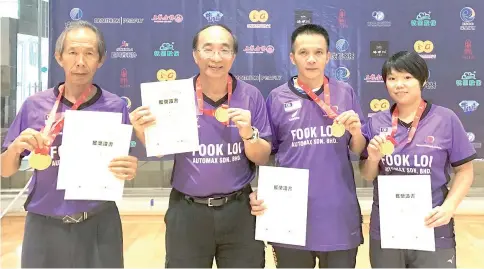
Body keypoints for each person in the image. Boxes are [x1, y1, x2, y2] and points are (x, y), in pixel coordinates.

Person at [129, 24, 272, 268]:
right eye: (208, 49)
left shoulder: (251, 95)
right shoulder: (175, 95)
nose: (216, 58)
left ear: (233, 56)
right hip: (187, 211)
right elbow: (160, 148)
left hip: (239, 211)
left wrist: (248, 134)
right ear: (195, 55)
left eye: (224, 50)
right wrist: (143, 132)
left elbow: (262, 157)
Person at [1, 20, 138, 268]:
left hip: (99, 226)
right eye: (73, 52)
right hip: (44, 225)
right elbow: (5, 169)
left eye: (89, 53)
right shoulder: (34, 105)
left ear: (101, 59)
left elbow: (121, 168)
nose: (80, 62)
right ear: (59, 57)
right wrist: (14, 148)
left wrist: (127, 170)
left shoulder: (116, 106)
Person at [249, 24, 366, 268]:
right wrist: (261, 190)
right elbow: (266, 153)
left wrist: (355, 132)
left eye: (318, 52)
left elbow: (358, 148)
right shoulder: (277, 97)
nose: (311, 59)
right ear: (292, 57)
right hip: (289, 213)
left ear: (328, 56)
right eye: (303, 53)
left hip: (337, 213)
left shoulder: (345, 93)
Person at [359, 51, 476, 268]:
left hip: (432, 226)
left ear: (422, 80)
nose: (399, 85)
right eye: (392, 79)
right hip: (387, 228)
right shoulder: (376, 122)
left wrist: (449, 207)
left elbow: (465, 170)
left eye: (407, 77)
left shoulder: (445, 119)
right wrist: (373, 158)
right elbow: (367, 173)